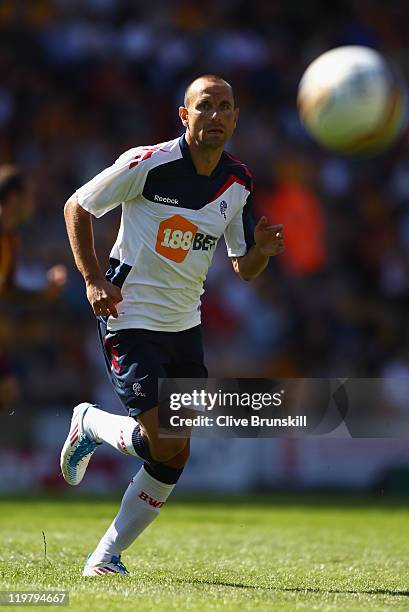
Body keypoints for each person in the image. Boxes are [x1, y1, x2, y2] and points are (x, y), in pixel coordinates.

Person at [61, 74, 285, 577]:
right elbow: (78, 206)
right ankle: (91, 423)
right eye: (205, 106)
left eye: (225, 106)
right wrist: (94, 279)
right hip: (130, 313)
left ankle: (105, 556)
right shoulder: (148, 163)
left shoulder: (239, 181)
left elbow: (241, 264)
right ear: (184, 116)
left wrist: (262, 254)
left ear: (235, 116)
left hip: (185, 324)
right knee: (163, 437)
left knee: (174, 455)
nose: (217, 115)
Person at [0, 165, 67, 411]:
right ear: (15, 197)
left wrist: (43, 294)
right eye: (29, 195)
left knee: (8, 393)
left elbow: (6, 290)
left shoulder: (11, 239)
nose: (33, 203)